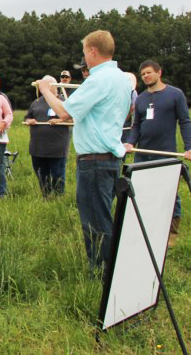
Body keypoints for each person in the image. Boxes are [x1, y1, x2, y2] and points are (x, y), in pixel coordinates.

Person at [37, 30, 131, 274]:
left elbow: (65, 112)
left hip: (95, 162)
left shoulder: (98, 80)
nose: (84, 58)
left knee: (96, 222)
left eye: (84, 53)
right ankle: (110, 270)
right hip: (110, 158)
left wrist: (46, 89)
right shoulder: (121, 78)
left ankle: (103, 275)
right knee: (103, 216)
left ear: (93, 51)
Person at [123, 60, 191, 247]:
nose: (146, 76)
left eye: (149, 73)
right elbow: (137, 125)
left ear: (159, 72)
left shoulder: (175, 94)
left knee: (170, 193)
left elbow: (185, 122)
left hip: (165, 153)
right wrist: (131, 142)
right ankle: (148, 227)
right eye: (143, 75)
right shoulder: (140, 99)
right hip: (143, 154)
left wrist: (189, 147)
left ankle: (171, 232)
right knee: (143, 191)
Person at [24, 75, 70, 197]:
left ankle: (58, 198)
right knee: (41, 175)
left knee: (57, 174)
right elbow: (27, 117)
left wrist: (60, 121)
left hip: (57, 148)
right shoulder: (36, 102)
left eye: (49, 86)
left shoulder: (63, 101)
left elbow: (73, 119)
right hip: (38, 148)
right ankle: (46, 197)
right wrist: (30, 120)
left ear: (55, 87)